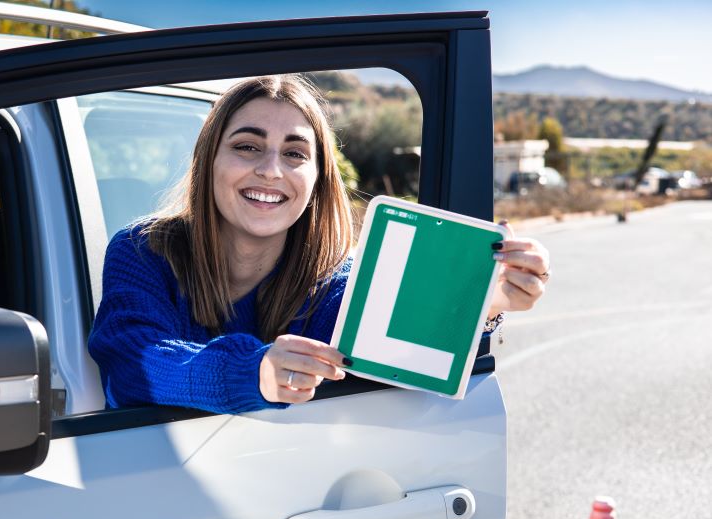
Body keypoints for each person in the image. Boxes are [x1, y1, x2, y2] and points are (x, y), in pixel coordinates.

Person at [88, 75, 549, 413]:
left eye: (295, 154)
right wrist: (255, 371)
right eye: (247, 146)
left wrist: (478, 303)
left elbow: (396, 361)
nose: (271, 170)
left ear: (316, 180)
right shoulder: (142, 253)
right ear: (209, 160)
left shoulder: (335, 284)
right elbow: (134, 363)